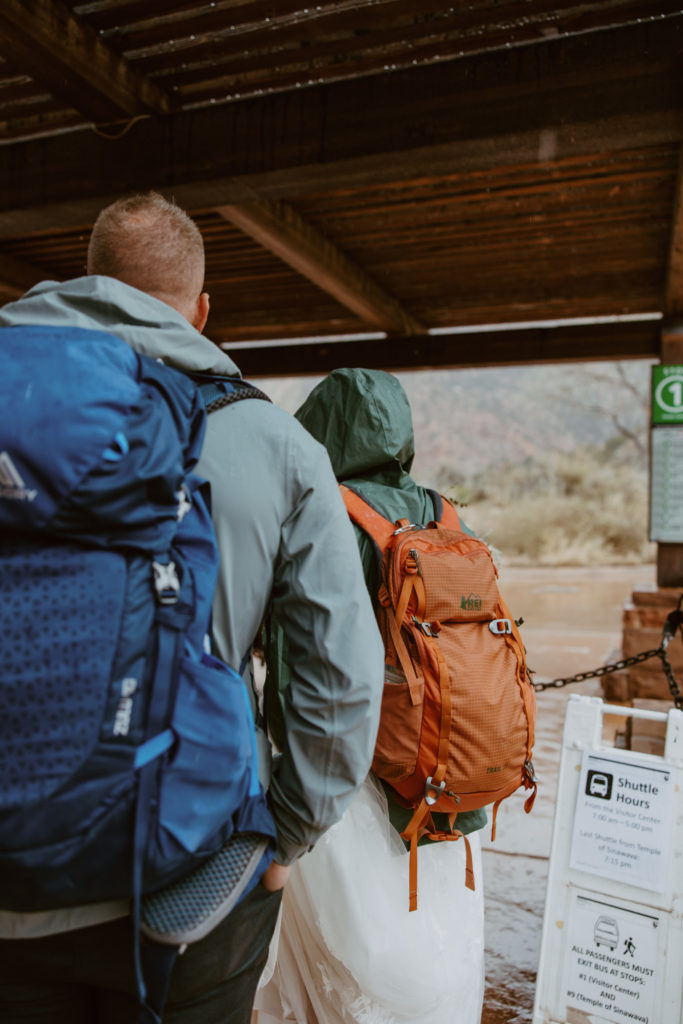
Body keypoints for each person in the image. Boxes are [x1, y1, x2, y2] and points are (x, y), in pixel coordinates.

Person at [0, 194, 384, 1023]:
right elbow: (341, 676)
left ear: (87, 279)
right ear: (202, 309)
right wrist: (287, 834)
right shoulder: (277, 443)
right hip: (193, 879)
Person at [254, 367, 486, 1024]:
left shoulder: (322, 513)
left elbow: (301, 662)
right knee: (427, 928)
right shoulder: (446, 514)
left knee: (345, 938)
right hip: (447, 758)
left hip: (353, 760)